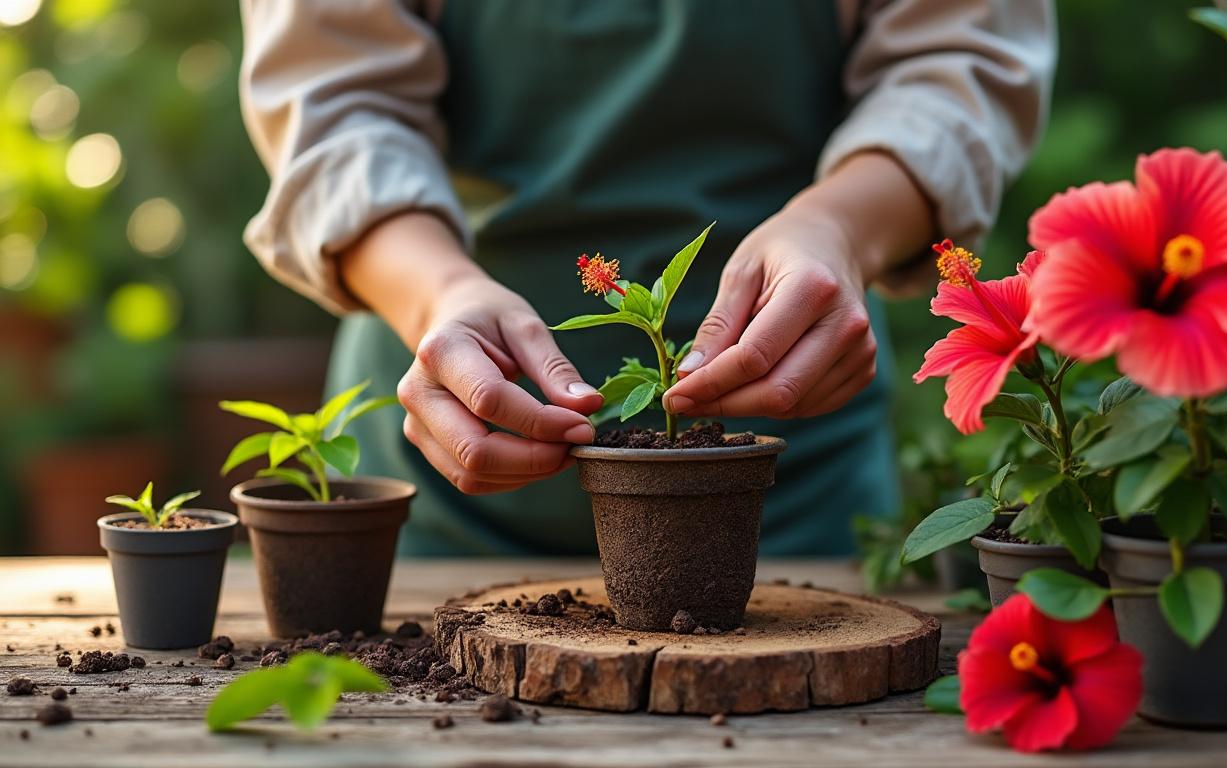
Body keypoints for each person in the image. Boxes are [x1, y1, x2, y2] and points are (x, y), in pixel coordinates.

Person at [239, 0, 1054, 556]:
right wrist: (438, 295)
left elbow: (958, 63)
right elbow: (334, 103)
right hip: (445, 487)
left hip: (790, 495)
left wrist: (835, 228)